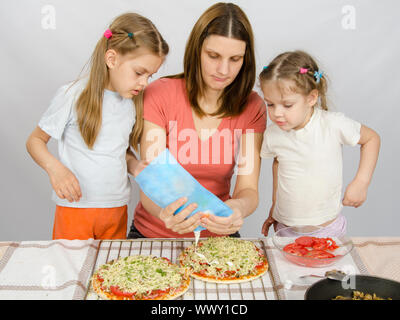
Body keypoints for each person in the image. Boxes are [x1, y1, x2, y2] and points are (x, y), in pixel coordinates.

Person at [128, 2, 267, 239]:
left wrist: (239, 207)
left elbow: (248, 189)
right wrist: (166, 215)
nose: (223, 70)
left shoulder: (252, 107)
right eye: (213, 56)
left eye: (235, 59)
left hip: (217, 236)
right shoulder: (159, 95)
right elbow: (152, 182)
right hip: (153, 234)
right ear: (197, 50)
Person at [26, 13, 169, 240]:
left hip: (116, 208)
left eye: (150, 76)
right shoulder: (72, 95)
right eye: (139, 73)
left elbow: (118, 150)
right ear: (111, 59)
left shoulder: (131, 103)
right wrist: (56, 169)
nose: (144, 83)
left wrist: (135, 167)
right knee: (72, 271)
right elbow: (35, 141)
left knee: (108, 271)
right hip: (76, 209)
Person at [259, 50, 380, 237]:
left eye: (287, 105)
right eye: (270, 104)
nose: (277, 113)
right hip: (286, 228)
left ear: (311, 98)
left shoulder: (331, 125)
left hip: (327, 229)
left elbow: (371, 139)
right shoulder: (273, 134)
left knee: (328, 267)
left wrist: (361, 182)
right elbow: (278, 165)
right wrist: (275, 206)